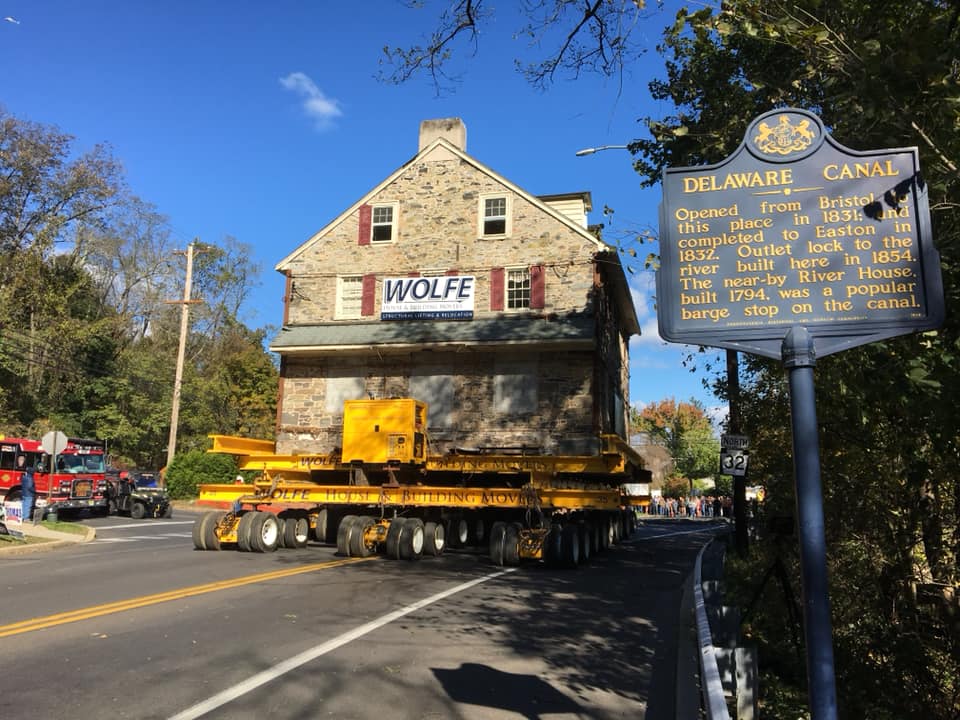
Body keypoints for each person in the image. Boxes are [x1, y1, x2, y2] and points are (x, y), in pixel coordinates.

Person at [17, 455, 35, 523]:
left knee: (23, 505)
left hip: (24, 493)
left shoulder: (24, 477)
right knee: (28, 506)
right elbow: (30, 487)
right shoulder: (30, 478)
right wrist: (34, 491)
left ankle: (21, 516)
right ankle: (26, 518)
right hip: (29, 494)